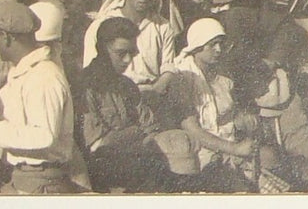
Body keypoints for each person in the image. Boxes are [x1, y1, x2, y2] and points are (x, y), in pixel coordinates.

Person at [76, 16, 195, 193]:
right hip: (104, 179)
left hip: (137, 167)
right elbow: (98, 145)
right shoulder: (85, 87)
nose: (127, 60)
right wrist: (136, 132)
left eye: (131, 53)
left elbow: (151, 129)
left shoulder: (126, 86)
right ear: (101, 48)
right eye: (120, 53)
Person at [0, 2, 82, 193]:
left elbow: (42, 136)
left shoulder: (44, 76)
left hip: (42, 182)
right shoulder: (24, 73)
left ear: (5, 37)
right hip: (27, 178)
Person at [165, 18, 255, 192]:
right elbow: (192, 130)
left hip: (229, 144)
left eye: (221, 44)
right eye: (212, 45)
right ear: (198, 46)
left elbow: (229, 113)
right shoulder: (183, 78)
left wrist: (242, 119)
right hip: (202, 151)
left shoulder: (222, 74)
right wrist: (234, 149)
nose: (219, 50)